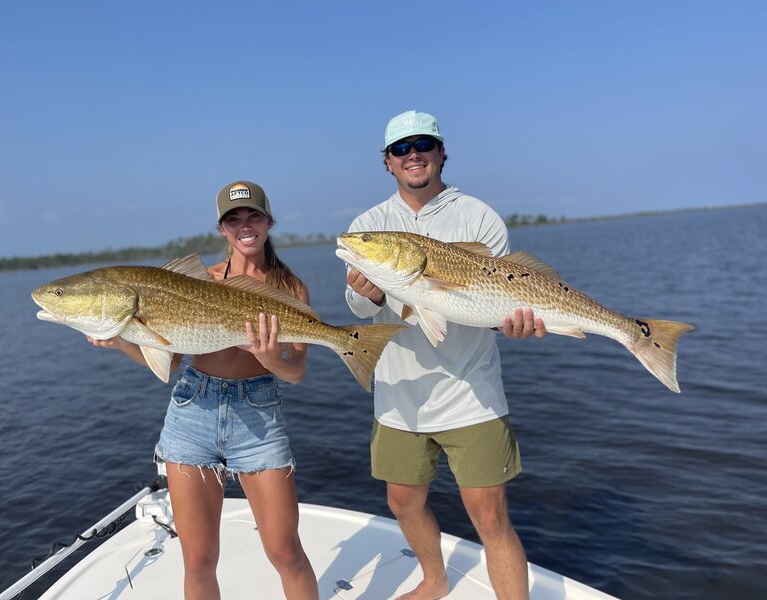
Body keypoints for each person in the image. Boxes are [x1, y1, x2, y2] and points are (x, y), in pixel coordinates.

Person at [344, 111, 546, 600]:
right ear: (387, 162)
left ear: (441, 152)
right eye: (400, 148)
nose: (412, 154)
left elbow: (496, 301)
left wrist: (510, 322)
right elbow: (356, 305)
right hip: (397, 396)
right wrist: (368, 294)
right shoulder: (369, 226)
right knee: (403, 502)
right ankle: (435, 581)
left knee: (490, 515)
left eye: (423, 144)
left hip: (469, 390)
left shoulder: (478, 217)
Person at [87, 180, 319, 600]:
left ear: (269, 221)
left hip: (259, 414)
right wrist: (122, 341)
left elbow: (297, 370)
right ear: (221, 229)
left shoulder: (290, 289)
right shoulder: (200, 282)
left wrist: (270, 359)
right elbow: (170, 362)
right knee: (198, 559)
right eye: (234, 219)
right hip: (192, 411)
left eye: (253, 215)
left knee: (286, 551)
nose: (244, 225)